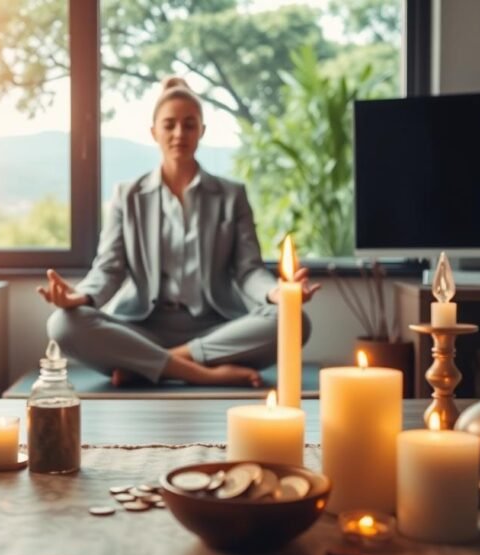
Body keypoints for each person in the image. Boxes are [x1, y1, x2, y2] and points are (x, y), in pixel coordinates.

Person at [38, 76, 319, 387]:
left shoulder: (231, 195)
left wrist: (276, 293)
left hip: (215, 328)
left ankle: (151, 365)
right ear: (153, 131)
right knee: (62, 324)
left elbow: (248, 270)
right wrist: (80, 296)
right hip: (142, 327)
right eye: (169, 124)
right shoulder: (127, 195)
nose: (178, 133)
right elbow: (109, 269)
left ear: (202, 131)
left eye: (189, 124)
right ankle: (201, 373)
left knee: (293, 320)